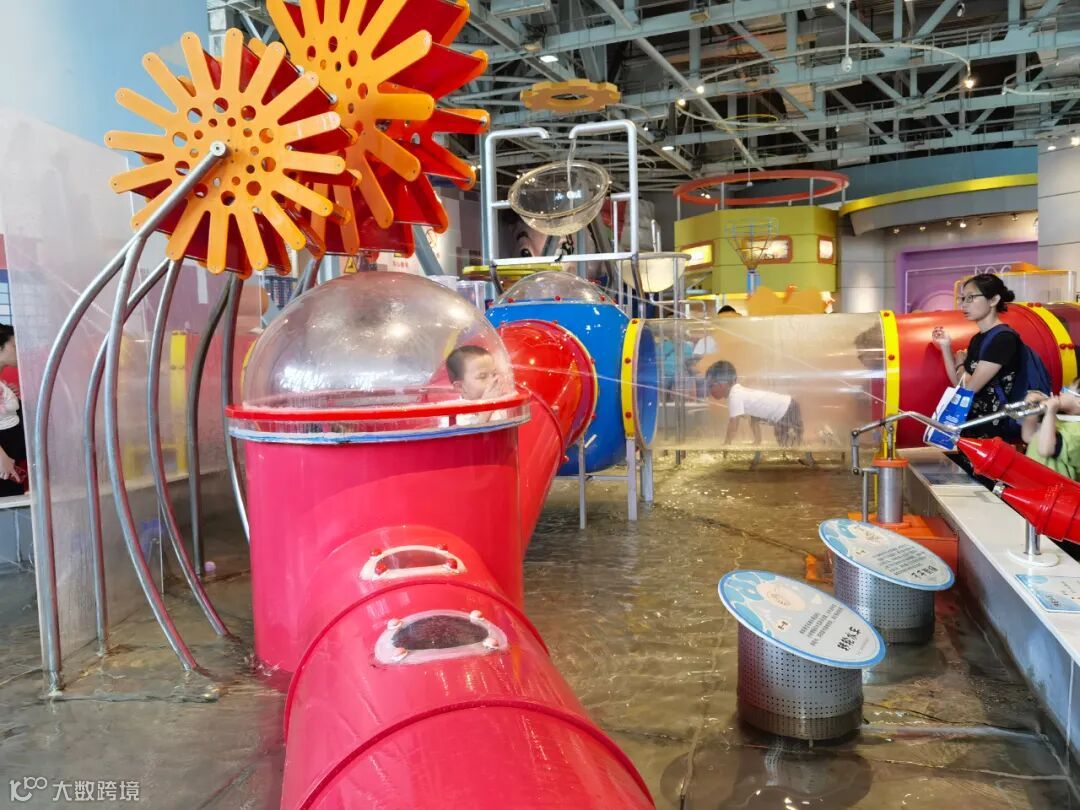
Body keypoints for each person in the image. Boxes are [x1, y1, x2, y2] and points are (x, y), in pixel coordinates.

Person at [931, 274, 1022, 440]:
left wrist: (960, 365)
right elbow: (958, 385)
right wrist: (945, 346)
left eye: (971, 298)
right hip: (974, 426)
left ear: (993, 300)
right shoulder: (978, 338)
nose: (964, 305)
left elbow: (970, 389)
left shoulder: (1003, 339)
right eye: (962, 299)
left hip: (994, 432)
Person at [705, 360, 806, 450]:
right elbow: (753, 419)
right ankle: (809, 443)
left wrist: (726, 444)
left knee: (790, 446)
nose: (709, 391)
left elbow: (733, 424)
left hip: (786, 409)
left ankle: (810, 447)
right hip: (788, 406)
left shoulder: (734, 396)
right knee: (789, 442)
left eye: (710, 386)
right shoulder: (740, 393)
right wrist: (757, 441)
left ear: (722, 384)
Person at [1021, 384, 1080, 480]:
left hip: (1049, 486)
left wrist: (1050, 412)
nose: (1060, 392)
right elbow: (1028, 436)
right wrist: (1032, 408)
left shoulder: (1077, 433)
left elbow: (1045, 450)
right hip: (1028, 479)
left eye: (1065, 390)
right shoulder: (1058, 419)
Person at [0, 324, 26, 495]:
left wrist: (10, 395)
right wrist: (1, 458)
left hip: (10, 462)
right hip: (4, 465)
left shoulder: (4, 385)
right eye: (15, 346)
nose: (19, 351)